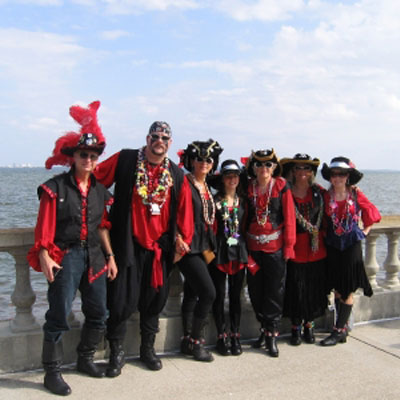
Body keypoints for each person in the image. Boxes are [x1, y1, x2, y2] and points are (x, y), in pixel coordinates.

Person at [27, 101, 118, 396]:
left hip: (95, 257)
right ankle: (51, 373)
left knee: (99, 313)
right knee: (58, 314)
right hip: (65, 257)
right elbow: (44, 228)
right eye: (83, 154)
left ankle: (85, 359)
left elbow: (103, 225)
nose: (88, 159)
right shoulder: (55, 187)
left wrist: (110, 256)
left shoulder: (99, 190)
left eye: (93, 155)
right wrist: (44, 256)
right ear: (73, 157)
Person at [94, 121, 193, 375]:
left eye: (164, 137)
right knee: (120, 301)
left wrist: (183, 238)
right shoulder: (126, 160)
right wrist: (99, 211)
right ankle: (116, 354)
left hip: (159, 249)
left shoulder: (176, 173)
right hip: (127, 244)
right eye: (155, 136)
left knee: (154, 301)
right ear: (147, 139)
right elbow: (94, 181)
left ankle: (147, 350)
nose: (159, 140)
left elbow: (184, 212)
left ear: (170, 143)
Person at [320, 157, 381, 346]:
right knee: (337, 289)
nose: (337, 178)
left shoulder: (354, 194)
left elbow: (371, 212)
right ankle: (342, 327)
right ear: (330, 177)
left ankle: (338, 330)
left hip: (351, 247)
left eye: (341, 174)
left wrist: (364, 231)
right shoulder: (325, 196)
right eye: (334, 174)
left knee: (347, 289)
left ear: (348, 176)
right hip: (332, 245)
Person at [243, 149, 296, 357]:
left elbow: (290, 219)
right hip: (253, 250)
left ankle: (272, 334)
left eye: (268, 165)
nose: (263, 169)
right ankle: (263, 330)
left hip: (275, 250)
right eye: (259, 165)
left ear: (274, 167)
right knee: (256, 292)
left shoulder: (282, 187)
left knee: (274, 292)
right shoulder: (248, 188)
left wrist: (289, 247)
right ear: (253, 168)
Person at [177, 139, 223, 362]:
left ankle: (186, 340)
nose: (204, 163)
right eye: (199, 159)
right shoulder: (184, 183)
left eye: (208, 160)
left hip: (203, 247)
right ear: (192, 161)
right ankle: (196, 341)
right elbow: (171, 212)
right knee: (209, 293)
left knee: (193, 292)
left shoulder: (207, 187)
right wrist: (177, 237)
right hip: (187, 248)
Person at [280, 154, 328, 345]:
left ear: (311, 172)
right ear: (292, 171)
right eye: (298, 168)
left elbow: (336, 200)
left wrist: (351, 188)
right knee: (295, 289)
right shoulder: (286, 192)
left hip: (317, 250)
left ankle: (310, 325)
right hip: (295, 250)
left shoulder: (319, 192)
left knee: (313, 289)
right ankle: (295, 327)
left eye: (306, 169)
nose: (302, 172)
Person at [208, 159, 248, 356]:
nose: (232, 179)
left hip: (239, 253)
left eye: (235, 176)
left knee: (235, 296)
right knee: (218, 296)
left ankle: (235, 334)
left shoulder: (244, 202)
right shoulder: (214, 202)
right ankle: (221, 335)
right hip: (220, 253)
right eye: (228, 176)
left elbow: (246, 229)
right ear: (222, 179)